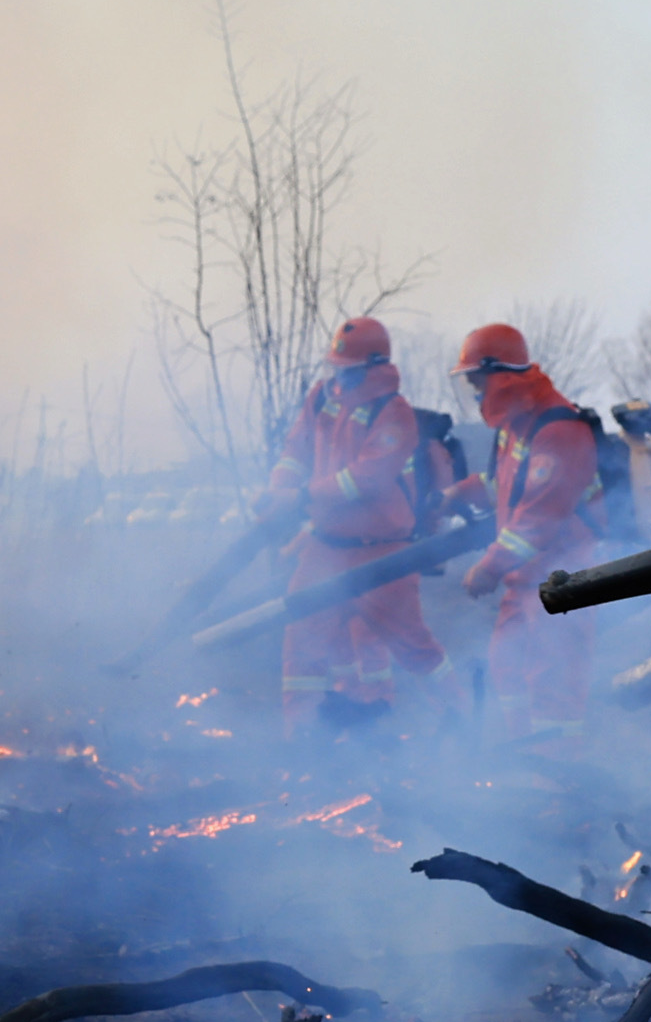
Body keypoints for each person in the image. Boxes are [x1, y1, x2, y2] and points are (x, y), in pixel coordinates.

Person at [257, 316, 447, 730]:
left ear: (374, 366)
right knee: (302, 643)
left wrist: (303, 496)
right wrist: (279, 489)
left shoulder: (394, 412)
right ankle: (301, 738)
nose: (340, 376)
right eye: (337, 367)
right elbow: (295, 451)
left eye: (349, 368)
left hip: (382, 552)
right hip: (325, 547)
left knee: (412, 646)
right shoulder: (322, 397)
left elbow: (369, 478)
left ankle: (459, 717)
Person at [449, 323, 601, 748]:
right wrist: (455, 494)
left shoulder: (559, 429)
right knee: (507, 666)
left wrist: (488, 567)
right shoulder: (517, 424)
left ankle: (560, 777)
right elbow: (506, 484)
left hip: (563, 578)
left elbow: (539, 518)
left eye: (477, 382)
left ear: (499, 376)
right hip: (525, 576)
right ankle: (526, 755)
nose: (477, 394)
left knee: (552, 680)